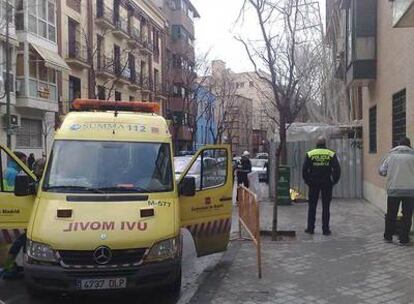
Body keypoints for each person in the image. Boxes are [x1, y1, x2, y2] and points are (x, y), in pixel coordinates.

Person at [302, 137, 341, 235]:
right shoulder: (330, 154)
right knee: (326, 206)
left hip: (313, 183)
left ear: (316, 143)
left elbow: (304, 170)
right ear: (325, 144)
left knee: (312, 206)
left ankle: (310, 228)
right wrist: (333, 181)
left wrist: (308, 181)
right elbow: (337, 170)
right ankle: (325, 229)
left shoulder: (310, 154)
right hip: (326, 183)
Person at [379, 137, 414, 245]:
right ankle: (404, 239)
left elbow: (382, 171)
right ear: (409, 145)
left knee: (391, 214)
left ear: (398, 145)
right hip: (410, 191)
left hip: (394, 190)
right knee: (407, 215)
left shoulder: (391, 156)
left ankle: (388, 237)